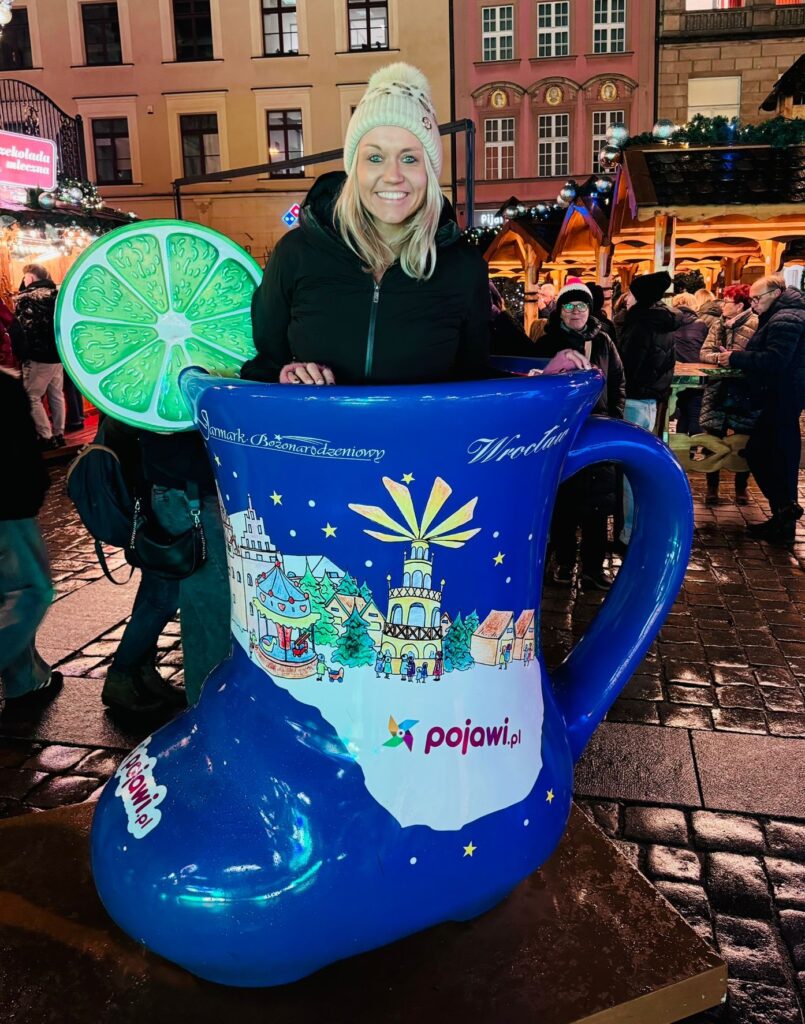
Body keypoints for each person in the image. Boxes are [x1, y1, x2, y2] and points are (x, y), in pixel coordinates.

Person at [242, 62, 583, 387]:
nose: (392, 175)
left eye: (409, 158)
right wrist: (288, 375)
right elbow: (261, 368)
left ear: (429, 173)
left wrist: (542, 380)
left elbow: (473, 384)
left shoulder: (464, 268)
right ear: (354, 169)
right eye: (375, 157)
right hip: (321, 446)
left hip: (424, 448)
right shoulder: (296, 254)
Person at [537, 280, 625, 589]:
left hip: (597, 428)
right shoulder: (546, 343)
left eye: (582, 306)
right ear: (560, 311)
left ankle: (593, 568)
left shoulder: (603, 342)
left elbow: (617, 381)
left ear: (591, 310)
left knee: (598, 505)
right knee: (563, 502)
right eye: (569, 306)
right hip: (561, 433)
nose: (576, 312)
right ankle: (563, 563)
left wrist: (613, 417)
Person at [716, 275, 805, 544]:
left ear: (775, 293)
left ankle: (785, 512)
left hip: (783, 394)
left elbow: (775, 360)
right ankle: (783, 516)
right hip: (784, 394)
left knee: (766, 453)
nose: (753, 304)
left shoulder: (784, 318)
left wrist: (735, 357)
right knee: (778, 455)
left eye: (757, 298)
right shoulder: (785, 313)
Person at [0, 370, 62, 714]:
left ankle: (26, 680)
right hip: (8, 509)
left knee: (7, 595)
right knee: (30, 593)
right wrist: (34, 490)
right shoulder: (5, 390)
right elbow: (19, 452)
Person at [616, 270, 677, 543]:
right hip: (650, 400)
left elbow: (628, 366)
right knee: (639, 466)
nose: (625, 298)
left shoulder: (641, 324)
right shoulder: (662, 321)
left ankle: (630, 532)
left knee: (631, 470)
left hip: (633, 400)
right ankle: (639, 528)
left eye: (630, 292)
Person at [699, 284, 758, 506]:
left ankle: (741, 488)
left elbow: (759, 356)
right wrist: (719, 359)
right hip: (718, 389)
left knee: (744, 439)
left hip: (745, 391)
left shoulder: (756, 323)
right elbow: (704, 352)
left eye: (727, 301)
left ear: (740, 305)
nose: (723, 305)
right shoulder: (718, 324)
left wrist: (737, 359)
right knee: (713, 437)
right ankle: (711, 487)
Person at [12, 264, 66, 450]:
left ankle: (46, 436)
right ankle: (59, 434)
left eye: (25, 277)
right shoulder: (56, 295)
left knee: (32, 396)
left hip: (38, 356)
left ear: (31, 278)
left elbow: (21, 328)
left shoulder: (25, 298)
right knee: (56, 395)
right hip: (58, 355)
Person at [667, 292, 709, 437]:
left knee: (680, 409)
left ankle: (679, 446)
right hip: (697, 372)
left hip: (675, 372)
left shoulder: (670, 323)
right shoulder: (701, 324)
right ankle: (693, 447)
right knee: (694, 409)